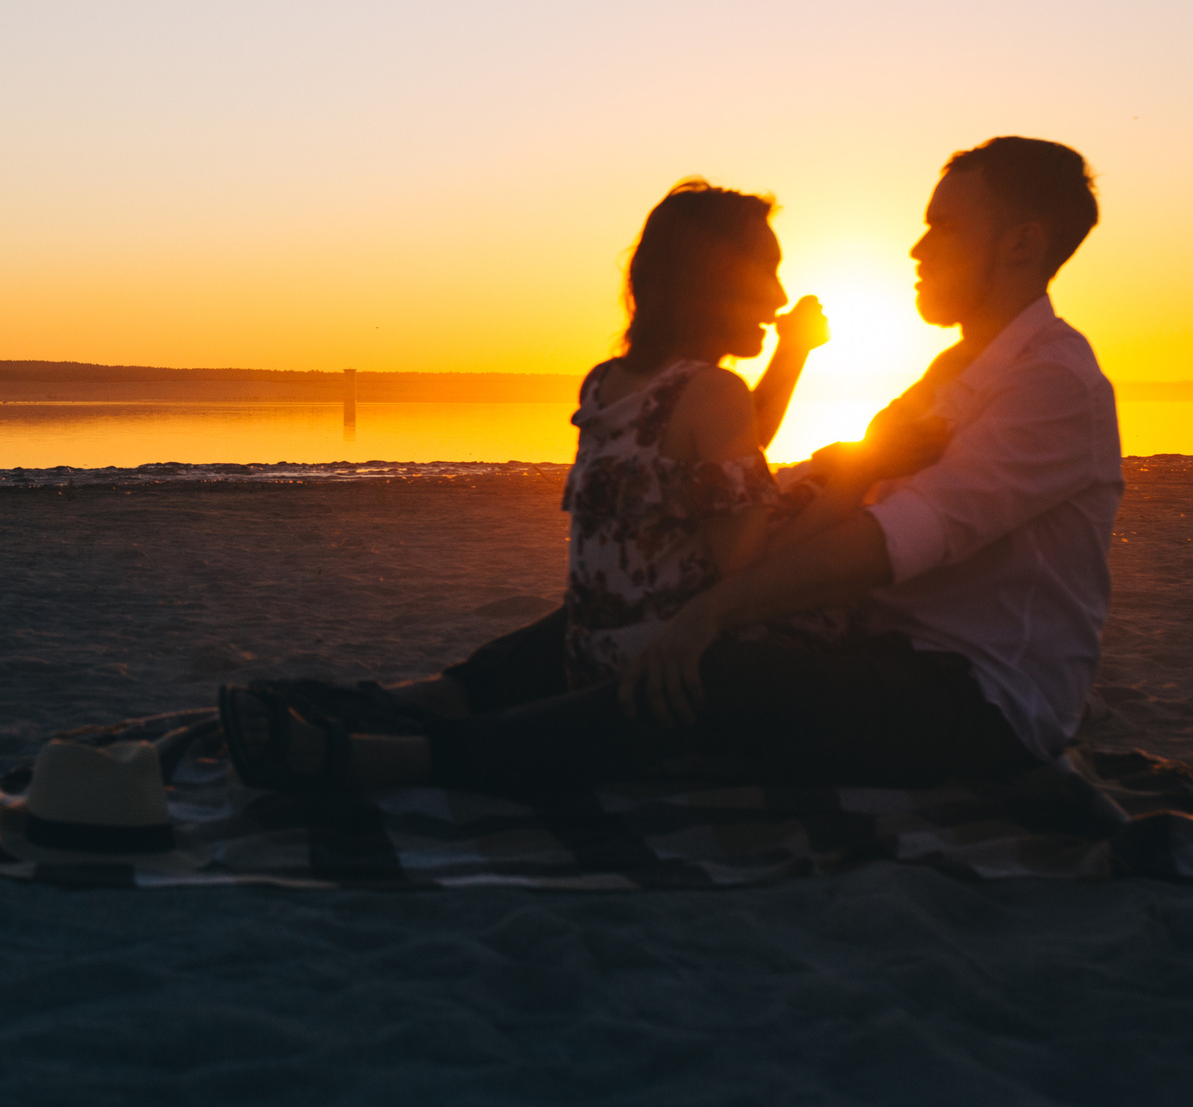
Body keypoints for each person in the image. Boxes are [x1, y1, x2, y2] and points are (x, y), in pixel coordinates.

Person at [225, 136, 1119, 797]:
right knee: (606, 613)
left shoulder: (1053, 386)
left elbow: (891, 539)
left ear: (1018, 244)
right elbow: (841, 479)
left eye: (944, 227)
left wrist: (714, 609)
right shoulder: (959, 368)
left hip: (972, 697)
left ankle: (416, 762)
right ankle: (414, 701)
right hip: (870, 639)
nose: (918, 249)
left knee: (708, 662)